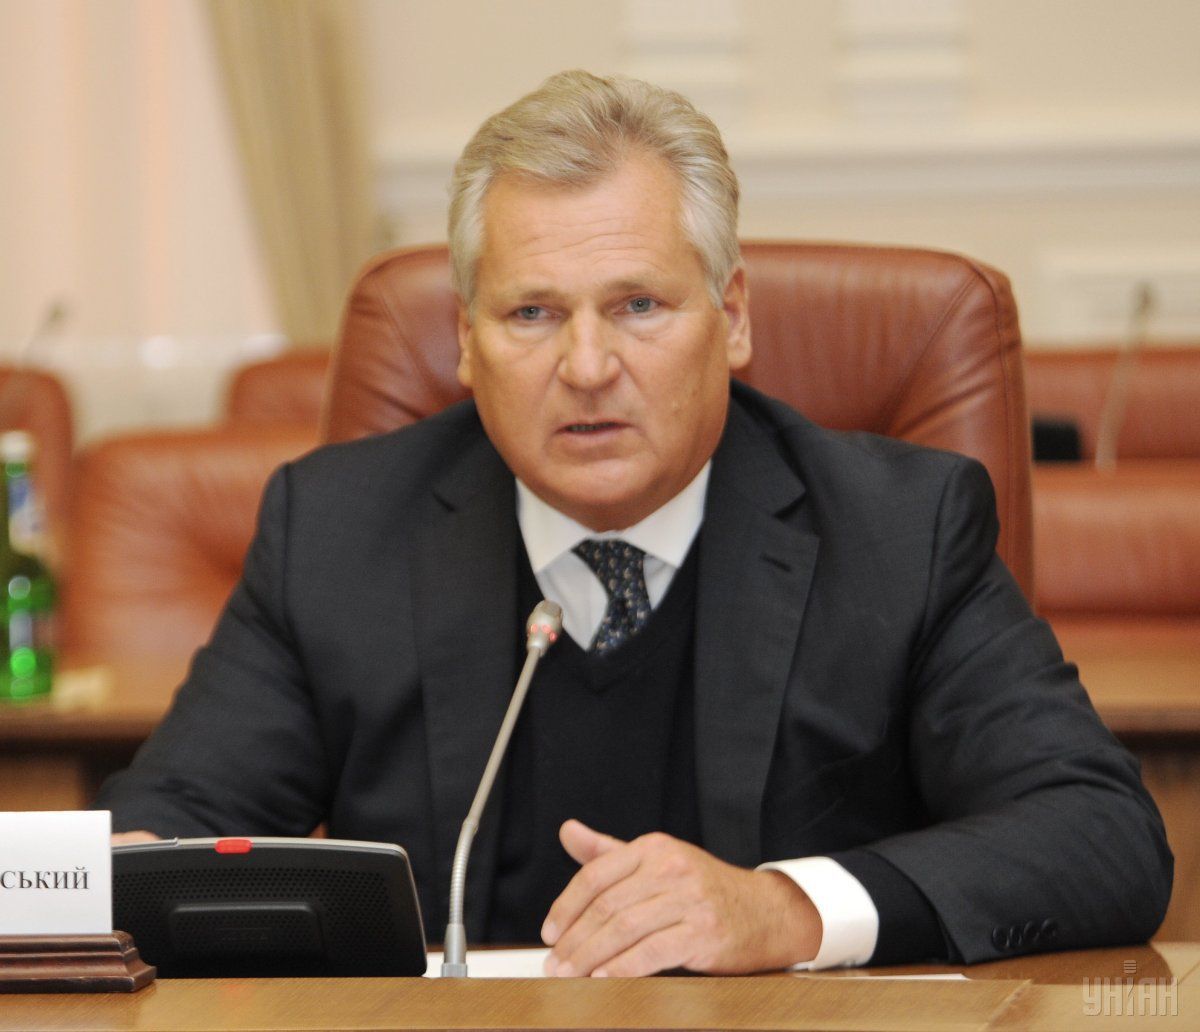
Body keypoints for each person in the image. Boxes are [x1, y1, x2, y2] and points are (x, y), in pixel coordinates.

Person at [98, 70, 1171, 976]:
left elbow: (1101, 834)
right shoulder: (336, 531)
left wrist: (787, 910)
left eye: (638, 305)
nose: (587, 366)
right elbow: (165, 833)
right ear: (465, 343)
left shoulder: (898, 531)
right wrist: (109, 876)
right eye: (532, 313)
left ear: (732, 317)